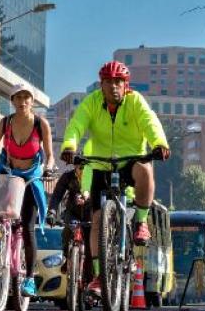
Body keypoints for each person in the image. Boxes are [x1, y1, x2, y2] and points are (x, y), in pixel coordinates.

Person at [59, 60, 170, 293]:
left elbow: (151, 122)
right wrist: (69, 146)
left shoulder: (135, 101)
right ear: (101, 85)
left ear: (126, 84)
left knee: (146, 168)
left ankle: (140, 222)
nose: (113, 86)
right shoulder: (92, 102)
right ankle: (99, 276)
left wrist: (159, 143)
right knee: (97, 221)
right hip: (100, 163)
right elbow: (77, 125)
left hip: (130, 160)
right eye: (108, 82)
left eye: (118, 81)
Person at [0, 83, 53, 297]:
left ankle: (30, 279)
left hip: (31, 176)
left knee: (28, 226)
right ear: (12, 101)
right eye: (18, 97)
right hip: (8, 172)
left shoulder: (41, 124)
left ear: (32, 101)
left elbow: (50, 155)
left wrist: (49, 168)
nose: (22, 101)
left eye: (26, 97)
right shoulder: (5, 123)